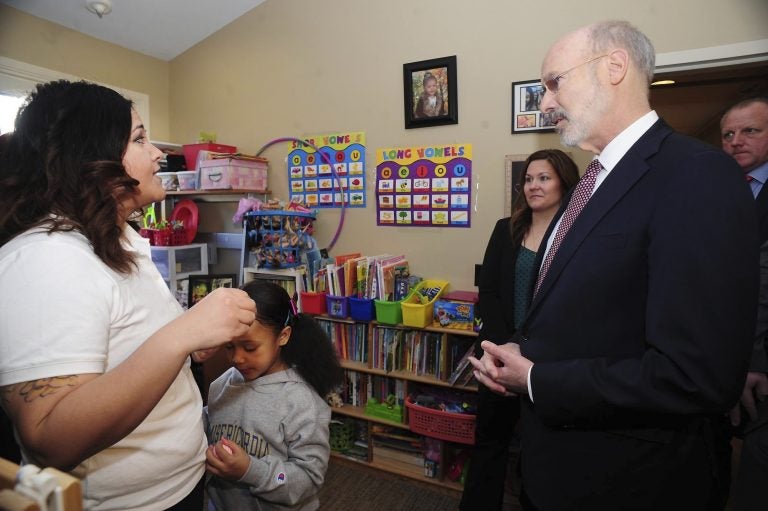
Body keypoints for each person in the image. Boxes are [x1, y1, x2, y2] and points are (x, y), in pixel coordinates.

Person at [468, 20, 759, 510]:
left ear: (614, 67)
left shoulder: (695, 175)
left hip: (629, 480)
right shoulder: (594, 181)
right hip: (557, 467)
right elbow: (590, 308)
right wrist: (524, 349)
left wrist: (537, 378)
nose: (543, 103)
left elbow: (697, 375)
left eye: (554, 83)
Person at [0, 80, 257, 511]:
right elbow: (48, 438)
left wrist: (191, 341)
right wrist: (181, 336)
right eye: (139, 138)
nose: (158, 153)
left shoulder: (123, 240)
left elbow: (132, 348)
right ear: (92, 155)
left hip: (181, 485)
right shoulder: (45, 258)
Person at [459, 149, 578, 511]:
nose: (533, 186)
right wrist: (503, 347)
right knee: (489, 443)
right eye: (528, 179)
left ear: (564, 182)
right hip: (497, 354)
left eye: (544, 178)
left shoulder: (578, 234)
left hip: (548, 364)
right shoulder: (505, 228)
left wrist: (530, 352)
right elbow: (490, 292)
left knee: (543, 453)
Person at [203, 280, 344, 511]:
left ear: (283, 336)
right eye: (229, 347)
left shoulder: (301, 402)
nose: (237, 358)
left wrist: (251, 471)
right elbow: (212, 420)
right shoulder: (222, 384)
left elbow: (306, 480)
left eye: (249, 348)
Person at [720, 96, 768, 511]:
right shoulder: (716, 190)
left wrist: (755, 358)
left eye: (751, 131)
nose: (736, 141)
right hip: (714, 352)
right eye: (728, 135)